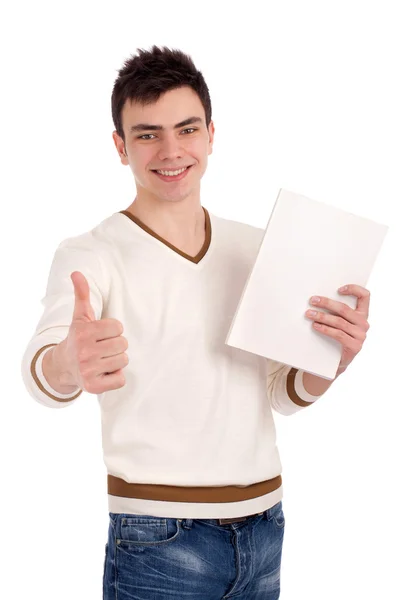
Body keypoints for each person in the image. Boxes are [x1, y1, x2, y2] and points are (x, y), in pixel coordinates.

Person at [21, 45, 371, 600]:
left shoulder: (256, 247)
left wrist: (334, 360)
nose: (170, 150)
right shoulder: (92, 253)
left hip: (265, 527)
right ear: (120, 146)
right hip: (159, 538)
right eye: (146, 134)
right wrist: (68, 361)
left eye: (186, 129)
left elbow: (283, 390)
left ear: (211, 135)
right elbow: (43, 369)